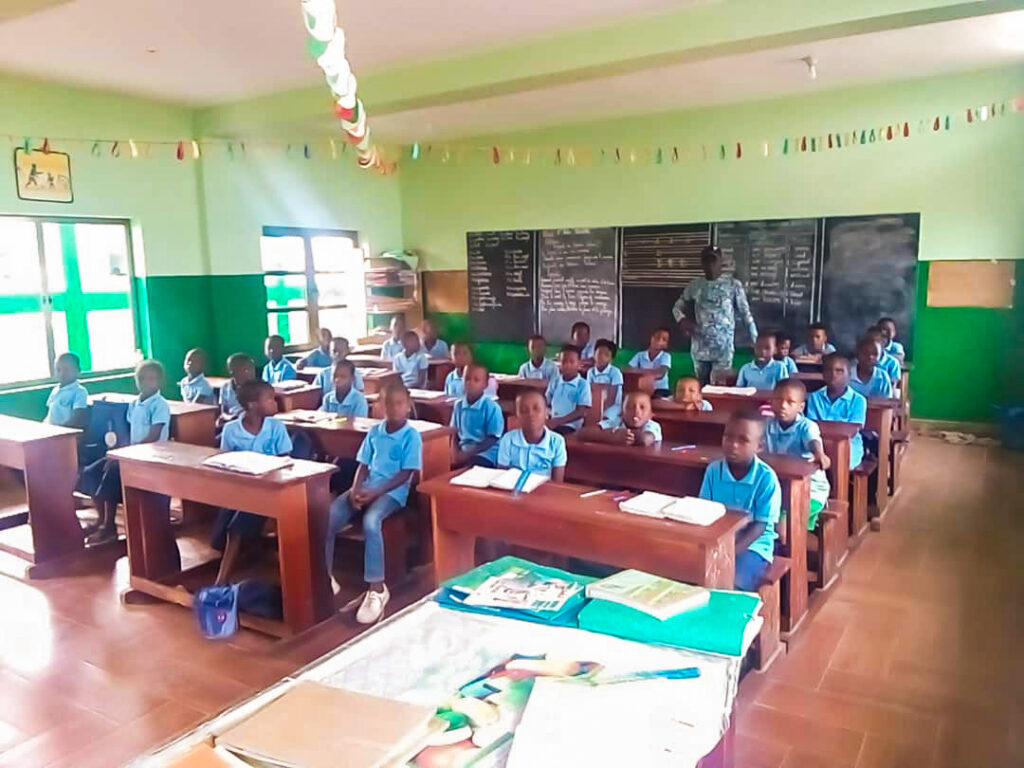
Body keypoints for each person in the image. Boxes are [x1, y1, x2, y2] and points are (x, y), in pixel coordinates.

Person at [326, 384, 422, 624]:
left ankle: (377, 588)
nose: (393, 408)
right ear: (380, 406)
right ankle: (325, 576)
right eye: (388, 403)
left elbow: (406, 474)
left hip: (393, 493)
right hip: (367, 487)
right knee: (328, 517)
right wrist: (356, 489)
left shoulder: (411, 436)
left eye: (399, 403)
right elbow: (363, 465)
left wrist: (376, 492)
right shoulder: (376, 431)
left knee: (371, 522)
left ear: (408, 406)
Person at [211, 380, 293, 585]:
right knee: (217, 541)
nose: (276, 403)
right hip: (241, 489)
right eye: (270, 399)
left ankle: (221, 581)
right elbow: (225, 461)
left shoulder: (276, 427)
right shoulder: (231, 430)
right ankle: (253, 548)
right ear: (252, 405)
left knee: (235, 530)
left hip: (271, 490)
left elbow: (286, 460)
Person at [83, 360, 171, 546]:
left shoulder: (159, 405)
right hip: (133, 453)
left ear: (160, 382)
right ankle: (101, 519)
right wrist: (117, 452)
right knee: (91, 472)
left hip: (152, 456)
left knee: (112, 472)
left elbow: (153, 437)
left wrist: (125, 455)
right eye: (141, 378)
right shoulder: (135, 403)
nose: (146, 382)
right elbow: (127, 433)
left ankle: (109, 528)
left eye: (151, 379)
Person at [699, 410, 781, 592]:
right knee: (691, 573)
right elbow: (704, 510)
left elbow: (760, 526)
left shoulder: (766, 478)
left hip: (754, 545)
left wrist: (730, 552)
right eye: (728, 437)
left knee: (733, 579)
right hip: (717, 540)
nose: (733, 445)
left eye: (743, 440)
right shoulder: (714, 470)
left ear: (759, 446)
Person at [674, 245, 758, 386]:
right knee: (700, 386)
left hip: (723, 348)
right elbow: (677, 307)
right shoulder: (695, 285)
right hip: (700, 346)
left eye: (714, 260)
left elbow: (745, 314)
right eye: (707, 261)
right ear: (702, 263)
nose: (710, 264)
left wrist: (756, 340)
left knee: (719, 387)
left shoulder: (733, 285)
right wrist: (681, 320)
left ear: (721, 262)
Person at [765, 379, 831, 530]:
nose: (783, 405)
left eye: (790, 402)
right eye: (778, 400)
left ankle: (790, 552)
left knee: (782, 525)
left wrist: (819, 453)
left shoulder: (807, 426)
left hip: (810, 490)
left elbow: (813, 441)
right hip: (780, 487)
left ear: (801, 407)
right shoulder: (767, 424)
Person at [806, 353, 867, 469]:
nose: (833, 375)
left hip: (849, 446)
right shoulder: (815, 397)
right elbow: (811, 426)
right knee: (808, 458)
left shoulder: (858, 400)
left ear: (849, 375)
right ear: (823, 375)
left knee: (841, 461)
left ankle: (840, 487)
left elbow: (853, 430)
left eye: (839, 371)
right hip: (820, 444)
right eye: (829, 371)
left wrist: (824, 427)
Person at [496, 390, 567, 481]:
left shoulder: (557, 442)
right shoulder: (508, 440)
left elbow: (558, 482)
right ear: (517, 415)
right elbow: (502, 477)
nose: (530, 414)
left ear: (546, 413)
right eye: (524, 410)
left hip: (544, 491)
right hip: (514, 491)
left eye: (536, 409)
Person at [450, 364, 504, 468]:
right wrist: (455, 454)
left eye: (476, 380)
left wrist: (467, 455)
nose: (470, 383)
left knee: (468, 470)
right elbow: (454, 433)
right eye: (467, 379)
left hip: (486, 454)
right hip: (464, 451)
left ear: (485, 384)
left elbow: (492, 439)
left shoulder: (491, 407)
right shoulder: (458, 405)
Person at [581, 391, 662, 446]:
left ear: (651, 415)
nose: (636, 411)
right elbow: (584, 433)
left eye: (642, 407)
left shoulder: (652, 425)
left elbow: (645, 439)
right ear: (621, 413)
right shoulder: (616, 422)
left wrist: (625, 435)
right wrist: (611, 437)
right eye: (630, 407)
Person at [545, 345, 592, 434]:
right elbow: (546, 402)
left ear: (579, 364)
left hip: (570, 426)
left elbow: (581, 411)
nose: (567, 365)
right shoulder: (555, 381)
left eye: (571, 362)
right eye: (564, 362)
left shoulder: (582, 384)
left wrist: (559, 421)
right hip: (553, 423)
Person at [44, 352, 89, 428]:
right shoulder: (55, 390)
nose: (62, 373)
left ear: (78, 370)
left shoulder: (79, 391)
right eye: (58, 370)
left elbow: (78, 418)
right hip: (51, 432)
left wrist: (61, 430)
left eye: (66, 369)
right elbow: (49, 415)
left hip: (66, 434)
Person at [586, 338, 623, 422]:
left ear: (611, 359)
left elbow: (612, 397)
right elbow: (588, 391)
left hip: (613, 405)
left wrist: (601, 410)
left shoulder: (615, 372)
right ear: (594, 355)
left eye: (606, 355)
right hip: (595, 405)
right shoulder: (591, 372)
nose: (601, 357)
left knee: (605, 418)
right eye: (599, 354)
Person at [627, 328, 672, 398]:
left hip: (660, 390)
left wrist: (643, 375)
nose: (660, 341)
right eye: (657, 337)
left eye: (664, 340)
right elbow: (629, 370)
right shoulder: (640, 355)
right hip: (641, 389)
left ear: (666, 345)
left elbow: (661, 373)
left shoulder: (665, 356)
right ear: (651, 338)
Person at [218, 353, 256, 428]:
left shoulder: (257, 388)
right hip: (230, 420)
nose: (251, 372)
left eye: (252, 368)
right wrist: (229, 418)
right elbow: (223, 411)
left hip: (248, 423)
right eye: (246, 369)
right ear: (232, 372)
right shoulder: (225, 387)